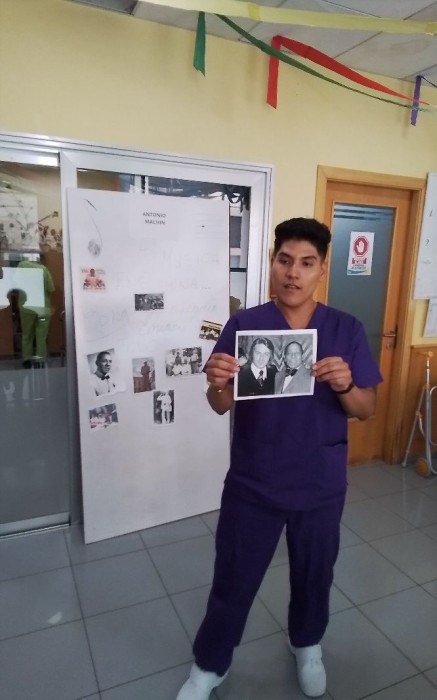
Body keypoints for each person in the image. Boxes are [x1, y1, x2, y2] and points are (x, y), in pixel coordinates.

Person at [176, 217, 382, 700]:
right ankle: (210, 664)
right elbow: (219, 404)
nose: (293, 273)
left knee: (315, 573)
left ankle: (306, 644)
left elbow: (366, 410)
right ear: (272, 263)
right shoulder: (244, 326)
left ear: (322, 269)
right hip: (255, 481)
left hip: (319, 482)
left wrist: (345, 385)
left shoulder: (345, 329)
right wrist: (216, 381)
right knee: (234, 576)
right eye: (285, 260)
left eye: (307, 263)